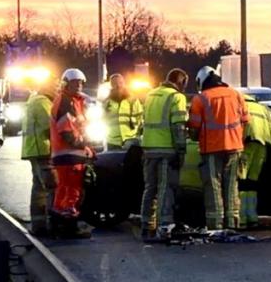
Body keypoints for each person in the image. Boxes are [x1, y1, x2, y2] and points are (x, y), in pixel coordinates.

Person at [188, 66, 249, 232]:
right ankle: (232, 221)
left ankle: (216, 224)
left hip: (211, 149)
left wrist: (194, 136)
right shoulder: (236, 94)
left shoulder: (200, 99)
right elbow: (245, 120)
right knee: (231, 185)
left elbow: (194, 126)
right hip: (235, 147)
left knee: (213, 186)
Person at [140, 69, 189, 241]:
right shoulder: (177, 97)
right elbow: (179, 127)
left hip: (148, 148)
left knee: (150, 188)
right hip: (166, 149)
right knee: (165, 188)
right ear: (180, 82)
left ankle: (146, 225)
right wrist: (181, 150)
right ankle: (164, 226)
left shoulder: (151, 95)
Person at [49, 68, 94, 238]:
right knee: (72, 190)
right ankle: (69, 227)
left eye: (81, 83)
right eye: (75, 83)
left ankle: (58, 225)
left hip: (67, 153)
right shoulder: (66, 101)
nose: (79, 86)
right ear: (66, 84)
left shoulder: (74, 101)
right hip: (69, 154)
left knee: (63, 189)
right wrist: (83, 144)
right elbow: (66, 130)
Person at [238, 92, 271, 228]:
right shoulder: (263, 108)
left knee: (241, 181)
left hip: (247, 143)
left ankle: (241, 218)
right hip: (263, 145)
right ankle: (252, 216)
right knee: (252, 182)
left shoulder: (241, 106)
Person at [21, 79, 57, 236]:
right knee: (51, 186)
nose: (57, 89)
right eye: (55, 86)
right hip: (42, 149)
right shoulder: (43, 102)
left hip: (34, 149)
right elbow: (50, 127)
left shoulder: (33, 100)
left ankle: (38, 224)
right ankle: (51, 224)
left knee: (38, 188)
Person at [104, 73, 144, 150]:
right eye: (115, 83)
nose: (118, 85)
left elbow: (140, 117)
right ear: (111, 86)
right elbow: (102, 119)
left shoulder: (133, 100)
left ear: (124, 84)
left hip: (131, 140)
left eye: (120, 83)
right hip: (113, 142)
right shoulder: (107, 102)